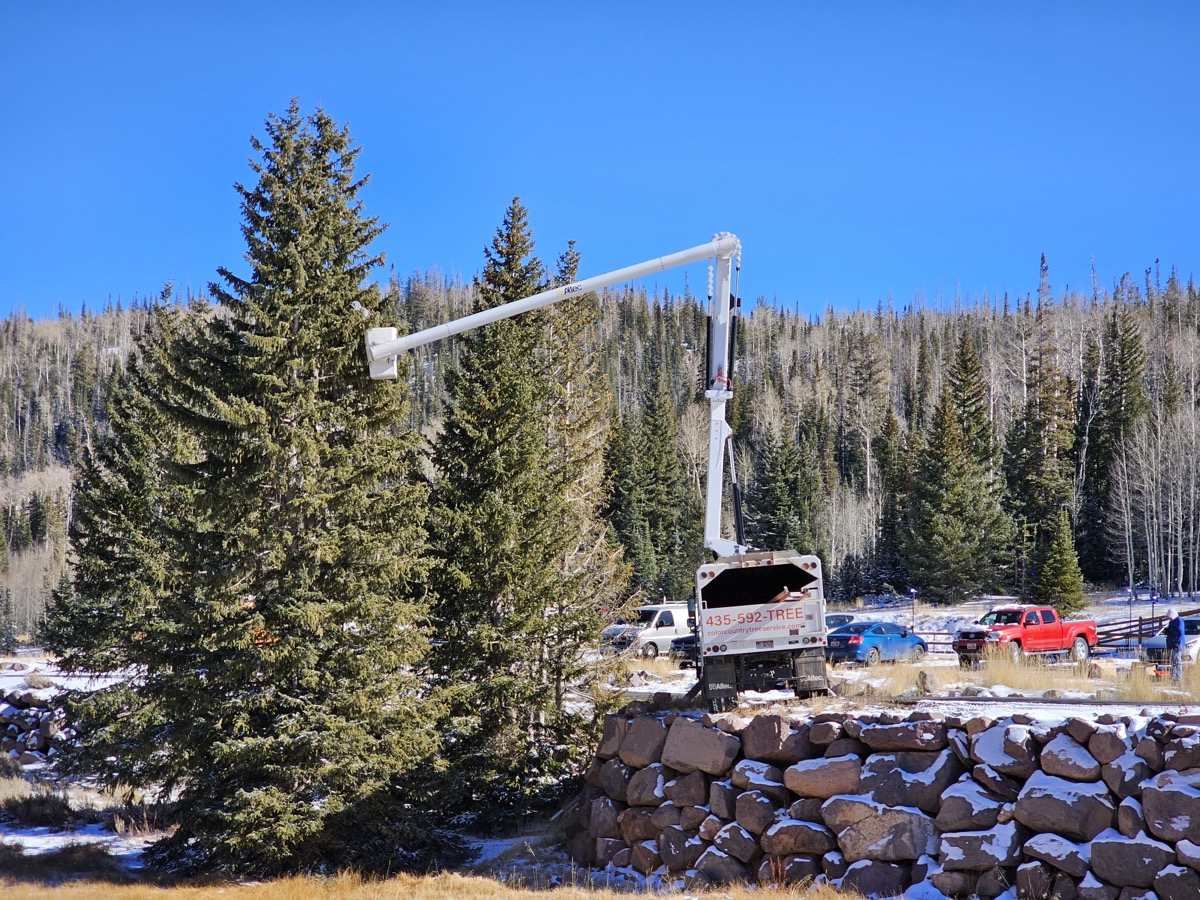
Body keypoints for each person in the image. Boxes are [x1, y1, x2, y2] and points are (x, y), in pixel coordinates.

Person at [1165, 608, 1185, 685]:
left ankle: (1178, 677)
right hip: (1171, 644)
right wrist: (1168, 631)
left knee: (1177, 662)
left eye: (1169, 617)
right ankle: (1173, 677)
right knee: (1172, 662)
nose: (1169, 618)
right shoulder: (1172, 621)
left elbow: (1180, 632)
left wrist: (1170, 630)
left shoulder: (1179, 621)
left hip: (1176, 644)